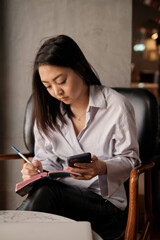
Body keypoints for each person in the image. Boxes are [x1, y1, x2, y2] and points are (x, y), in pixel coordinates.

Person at [17, 35, 140, 240]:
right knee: (45, 194)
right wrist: (37, 169)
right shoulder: (48, 112)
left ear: (80, 67)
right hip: (60, 199)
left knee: (47, 195)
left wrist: (101, 167)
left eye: (61, 81)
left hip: (105, 205)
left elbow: (131, 161)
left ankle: (13, 229)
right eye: (47, 86)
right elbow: (46, 158)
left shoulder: (116, 106)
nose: (56, 92)